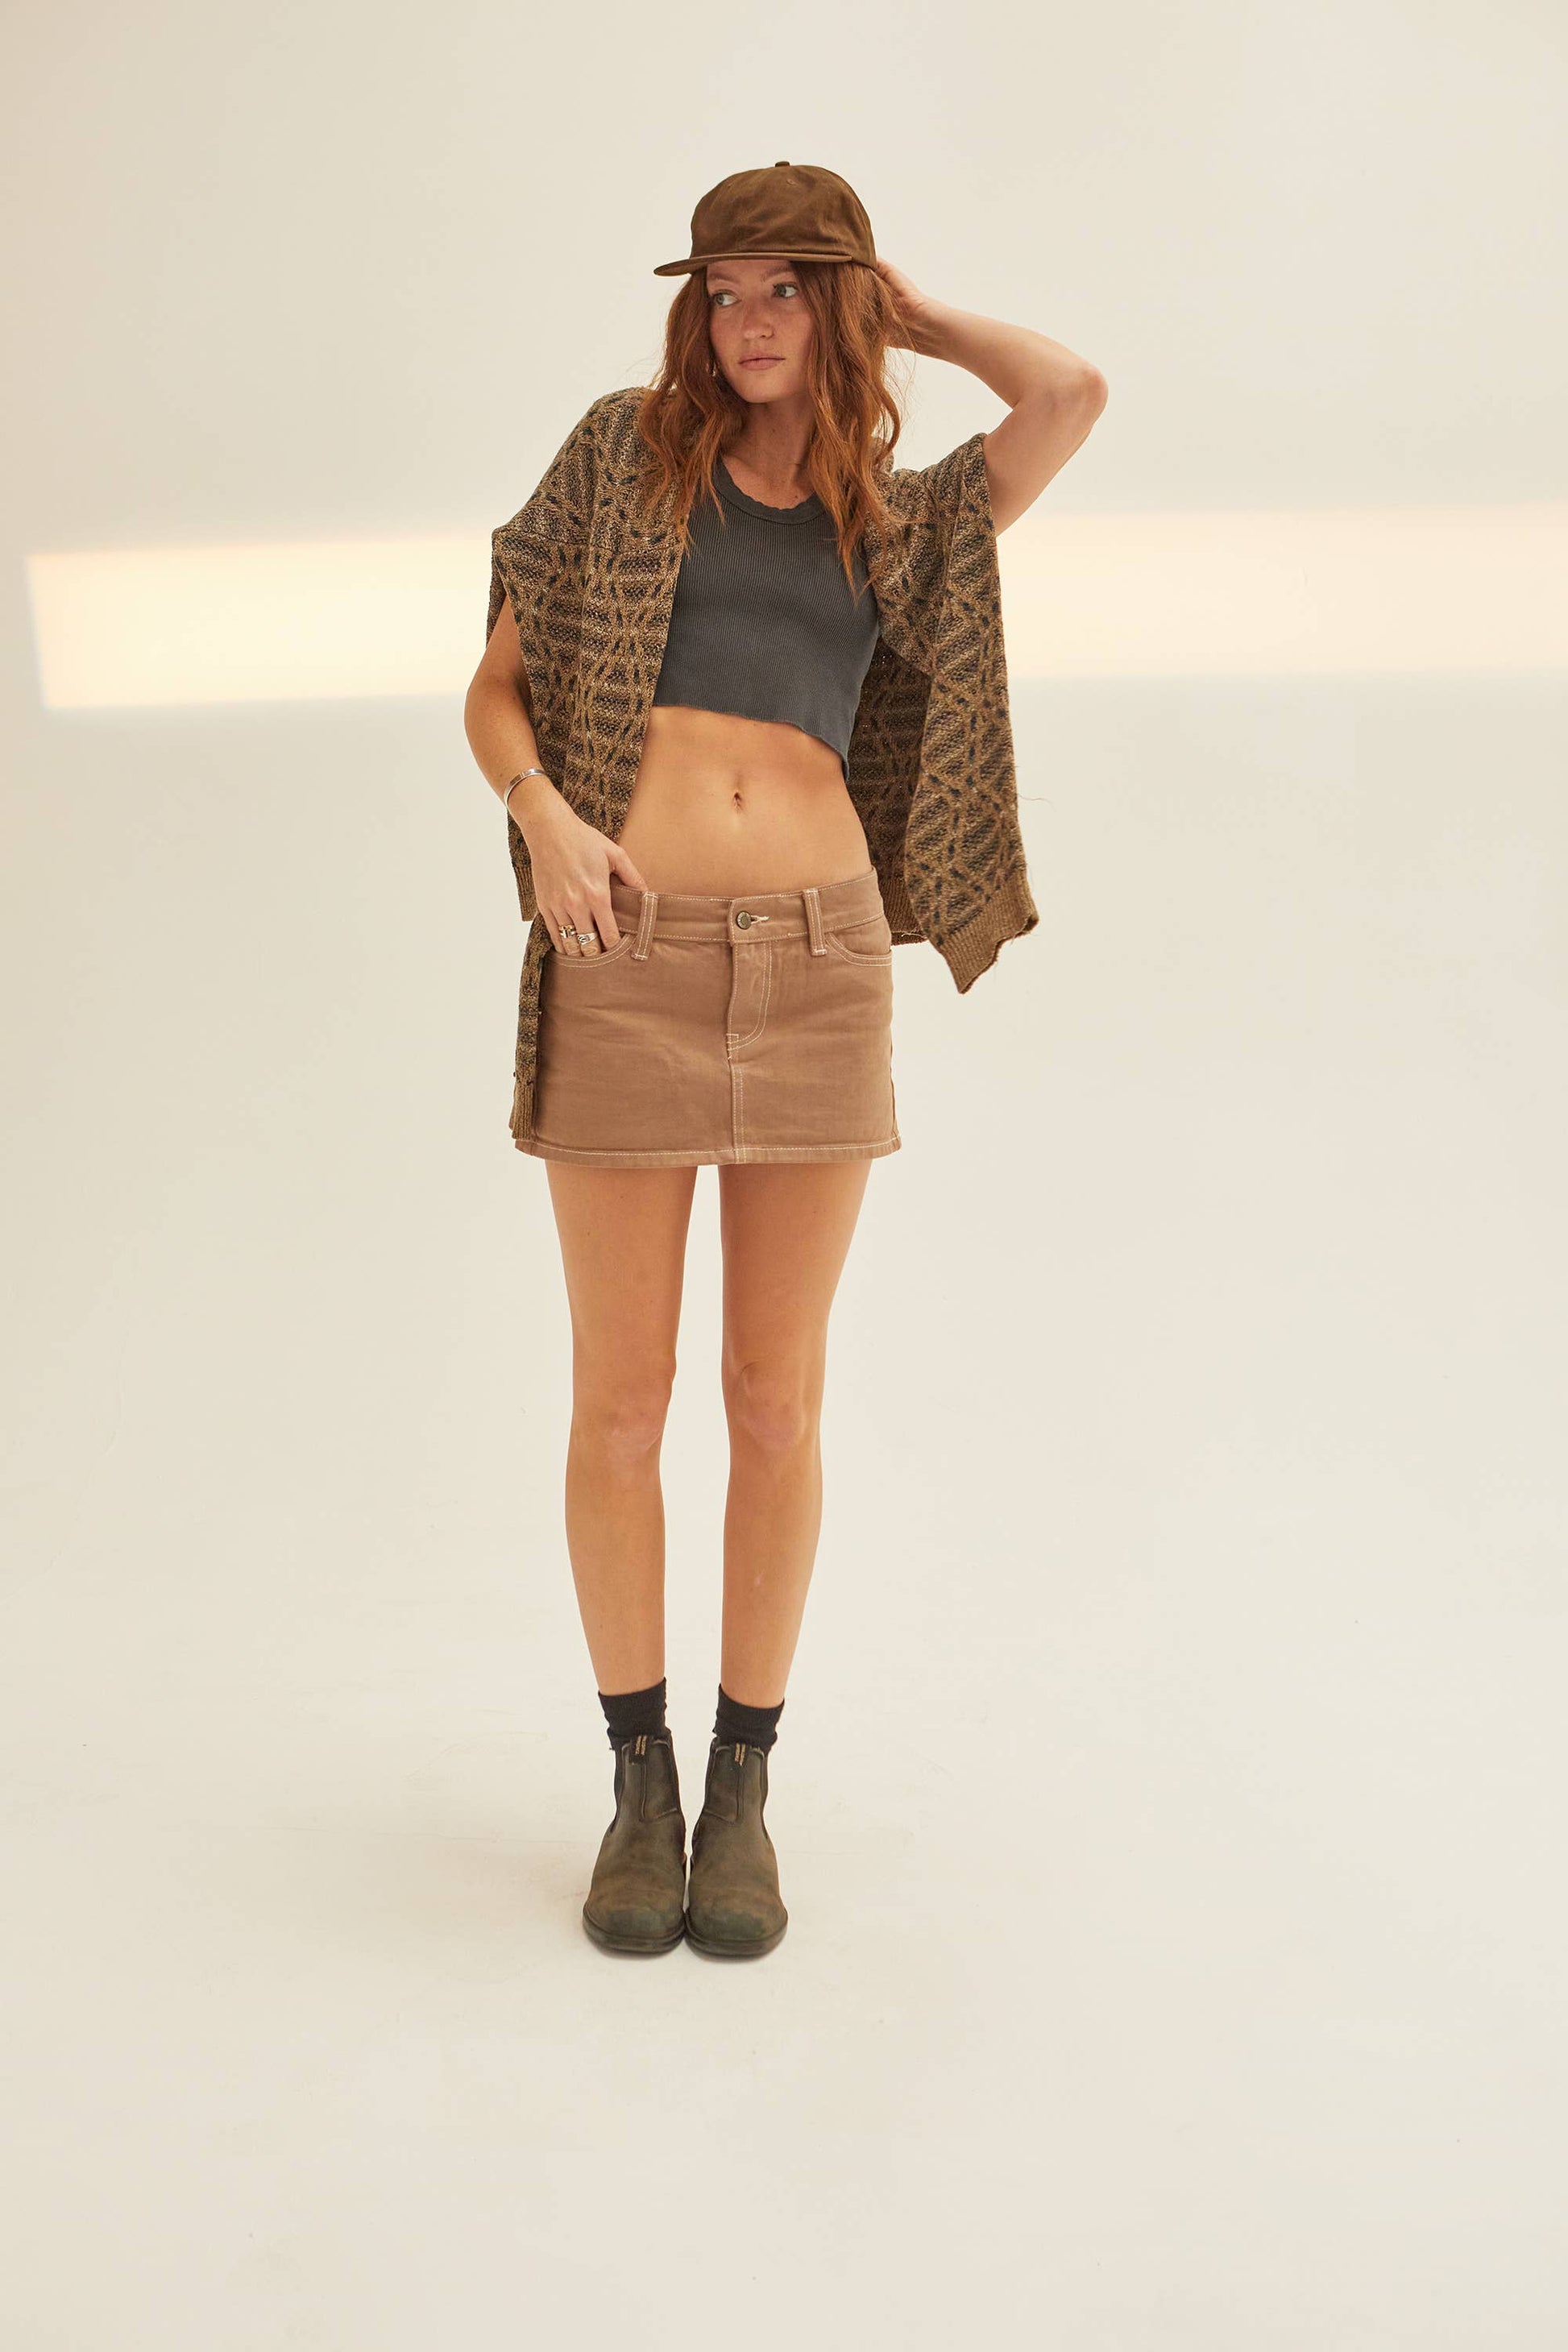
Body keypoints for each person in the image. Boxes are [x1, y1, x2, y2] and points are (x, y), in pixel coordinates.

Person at [463, 160, 1108, 1960]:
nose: (748, 321)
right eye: (725, 290)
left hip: (820, 965)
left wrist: (908, 311)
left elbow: (1068, 393)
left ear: (841, 303)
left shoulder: (904, 515)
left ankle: (743, 1783)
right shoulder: (622, 459)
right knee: (619, 1398)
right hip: (625, 950)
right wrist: (545, 819)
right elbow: (495, 685)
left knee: (773, 1400)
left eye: (786, 288)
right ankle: (638, 1775)